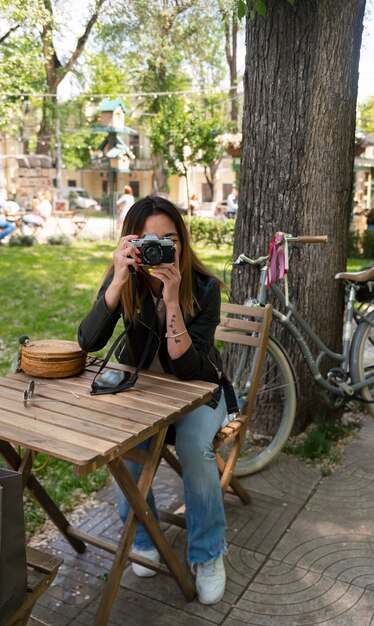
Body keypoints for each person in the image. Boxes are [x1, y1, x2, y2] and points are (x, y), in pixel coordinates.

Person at [78, 195, 230, 605]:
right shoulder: (125, 277)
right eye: (148, 240)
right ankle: (143, 537)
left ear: (182, 241)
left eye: (169, 239)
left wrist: (171, 299)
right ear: (131, 241)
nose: (159, 249)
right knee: (128, 443)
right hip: (142, 391)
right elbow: (88, 342)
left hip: (197, 390)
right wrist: (118, 281)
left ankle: (208, 552)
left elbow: (188, 370)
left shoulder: (203, 286)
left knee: (194, 445)